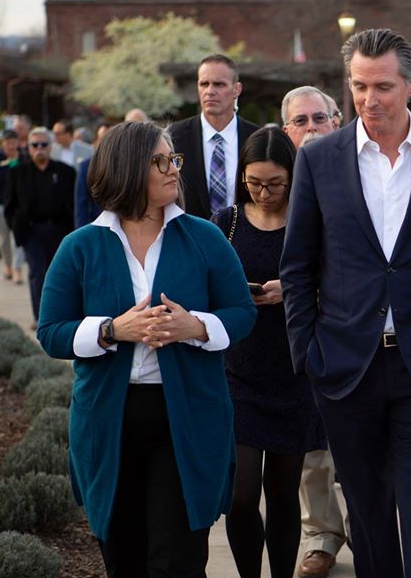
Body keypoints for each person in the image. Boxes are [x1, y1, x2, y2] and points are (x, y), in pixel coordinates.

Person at [280, 28, 411, 578]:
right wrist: (309, 351)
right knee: (369, 515)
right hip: (347, 367)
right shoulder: (320, 159)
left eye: (383, 86)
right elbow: (298, 265)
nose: (369, 99)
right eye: (359, 86)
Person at [36, 120, 257, 577]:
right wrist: (112, 330)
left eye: (173, 158)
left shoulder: (204, 237)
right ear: (128, 169)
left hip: (187, 420)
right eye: (160, 161)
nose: (173, 169)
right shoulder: (80, 246)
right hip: (107, 422)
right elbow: (51, 331)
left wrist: (193, 326)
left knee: (175, 561)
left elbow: (241, 312)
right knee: (125, 558)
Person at [210, 126, 325, 577]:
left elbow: (336, 286)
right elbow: (209, 285)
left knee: (282, 495)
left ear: (292, 177)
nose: (263, 191)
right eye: (254, 182)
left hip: (293, 375)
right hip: (238, 372)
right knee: (240, 498)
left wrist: (294, 291)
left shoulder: (308, 219)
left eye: (274, 183)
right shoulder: (227, 221)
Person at [277, 86, 350, 578]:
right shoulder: (274, 182)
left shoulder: (357, 170)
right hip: (306, 328)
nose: (309, 128)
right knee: (312, 442)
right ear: (286, 131)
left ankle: (371, 529)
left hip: (359, 326)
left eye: (318, 119)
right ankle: (322, 535)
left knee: (360, 442)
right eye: (299, 121)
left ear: (336, 121)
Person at [168, 54, 259, 219]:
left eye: (219, 84)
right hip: (188, 238)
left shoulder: (256, 138)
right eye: (204, 84)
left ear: (236, 89)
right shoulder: (173, 137)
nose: (210, 91)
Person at [4, 127, 75, 327]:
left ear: (51, 147)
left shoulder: (66, 172)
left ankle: (60, 315)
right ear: (29, 147)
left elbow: (73, 203)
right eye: (35, 145)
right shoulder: (17, 173)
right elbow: (9, 207)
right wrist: (17, 230)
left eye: (44, 144)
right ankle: (41, 318)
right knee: (37, 273)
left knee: (60, 275)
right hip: (32, 231)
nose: (39, 149)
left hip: (60, 231)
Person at [0, 129, 24, 284]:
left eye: (14, 142)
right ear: (3, 144)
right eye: (8, 143)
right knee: (3, 239)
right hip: (0, 205)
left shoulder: (23, 158)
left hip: (18, 206)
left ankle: (17, 268)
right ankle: (7, 265)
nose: (11, 146)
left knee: (18, 238)